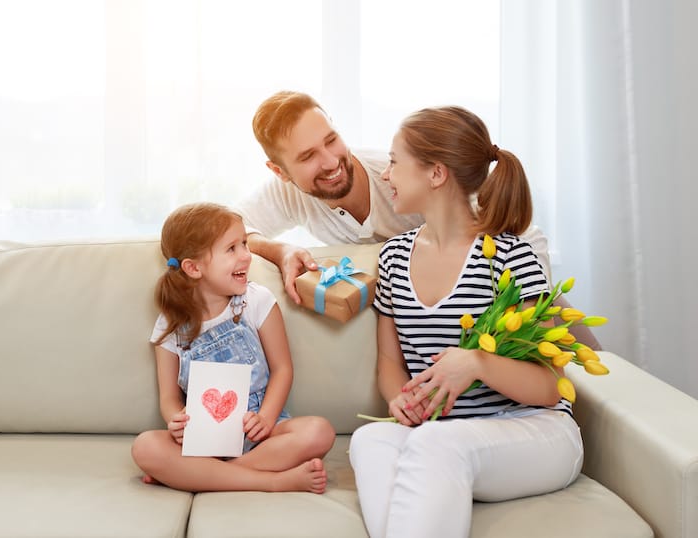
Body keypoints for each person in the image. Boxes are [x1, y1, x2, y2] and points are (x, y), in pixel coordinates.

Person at [347, 107, 584, 538]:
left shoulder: (510, 257)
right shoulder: (394, 257)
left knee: (435, 444)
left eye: (396, 161)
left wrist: (476, 363)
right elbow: (389, 362)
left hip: (533, 431)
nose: (386, 176)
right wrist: (399, 400)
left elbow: (551, 388)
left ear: (436, 174)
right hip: (444, 438)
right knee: (371, 440)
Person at [236, 90, 601, 349]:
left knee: (588, 368)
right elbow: (231, 225)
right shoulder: (287, 194)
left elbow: (521, 240)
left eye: (332, 140)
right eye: (308, 156)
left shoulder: (406, 181)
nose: (330, 161)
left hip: (491, 309)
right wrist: (280, 250)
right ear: (279, 171)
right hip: (427, 331)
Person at [131, 202, 335, 494]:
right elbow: (168, 397)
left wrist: (265, 418)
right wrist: (175, 419)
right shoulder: (171, 325)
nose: (246, 256)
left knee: (318, 432)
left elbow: (283, 369)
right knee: (146, 447)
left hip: (262, 433)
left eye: (244, 244)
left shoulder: (257, 301)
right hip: (205, 441)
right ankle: (273, 481)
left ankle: (200, 477)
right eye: (232, 249)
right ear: (193, 267)